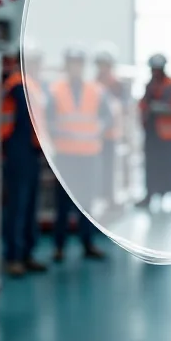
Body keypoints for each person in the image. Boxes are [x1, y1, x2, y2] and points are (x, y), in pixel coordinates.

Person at [48, 46, 109, 261]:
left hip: (89, 155)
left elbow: (105, 118)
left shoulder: (96, 91)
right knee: (62, 204)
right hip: (65, 156)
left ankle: (87, 243)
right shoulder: (56, 90)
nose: (75, 67)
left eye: (78, 63)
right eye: (71, 63)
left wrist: (95, 132)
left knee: (86, 202)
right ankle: (59, 246)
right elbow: (48, 120)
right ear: (66, 65)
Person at [0, 45, 49, 277]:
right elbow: (19, 123)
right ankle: (14, 256)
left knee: (29, 205)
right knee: (18, 206)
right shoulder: (18, 85)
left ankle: (27, 253)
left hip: (30, 151)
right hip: (18, 150)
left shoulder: (31, 85)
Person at [136, 54, 171, 210]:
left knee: (167, 166)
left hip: (167, 135)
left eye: (158, 69)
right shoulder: (150, 86)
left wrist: (162, 108)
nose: (155, 72)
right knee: (151, 166)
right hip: (152, 134)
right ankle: (150, 194)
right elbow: (144, 105)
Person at [95, 43, 124, 205]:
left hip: (111, 133)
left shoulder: (116, 84)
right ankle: (100, 195)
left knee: (109, 167)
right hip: (95, 134)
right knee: (97, 168)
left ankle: (109, 196)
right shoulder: (94, 83)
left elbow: (121, 107)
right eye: (100, 64)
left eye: (105, 64)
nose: (102, 68)